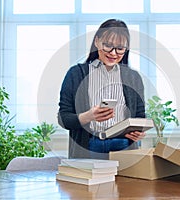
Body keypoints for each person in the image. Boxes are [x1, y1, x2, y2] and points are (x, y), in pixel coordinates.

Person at [58, 19, 146, 159]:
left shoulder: (133, 77)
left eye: (120, 48)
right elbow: (63, 118)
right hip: (89, 145)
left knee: (126, 182)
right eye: (108, 45)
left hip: (123, 145)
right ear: (97, 42)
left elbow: (140, 115)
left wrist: (138, 132)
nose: (113, 53)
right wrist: (89, 116)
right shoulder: (76, 74)